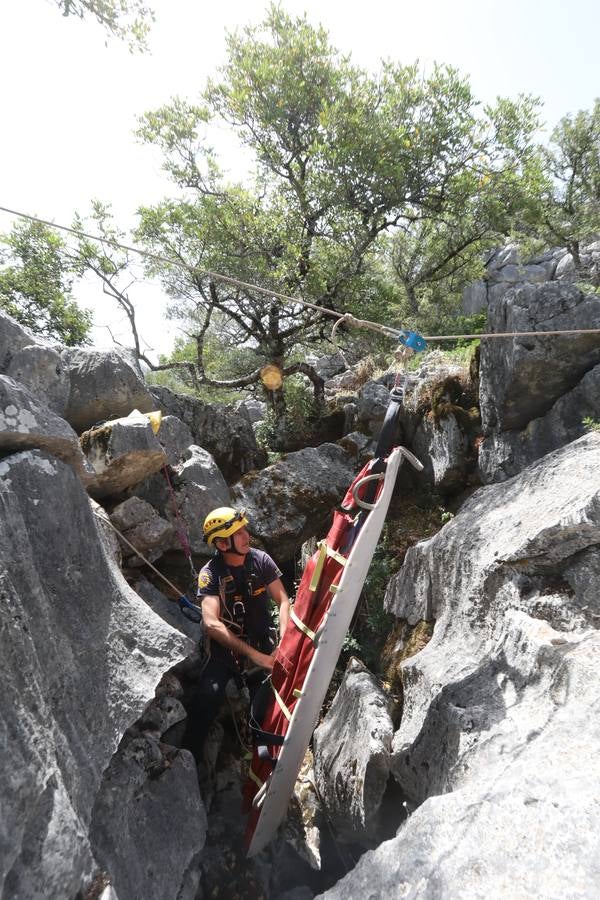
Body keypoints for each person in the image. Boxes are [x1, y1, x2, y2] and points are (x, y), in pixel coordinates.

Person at [184, 506, 290, 756]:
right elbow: (211, 623)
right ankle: (188, 760)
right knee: (206, 700)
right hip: (226, 651)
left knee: (265, 708)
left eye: (245, 529)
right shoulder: (210, 574)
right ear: (222, 544)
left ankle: (264, 760)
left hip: (262, 642)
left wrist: (284, 641)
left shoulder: (260, 560)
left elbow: (283, 600)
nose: (246, 536)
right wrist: (254, 656)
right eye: (238, 532)